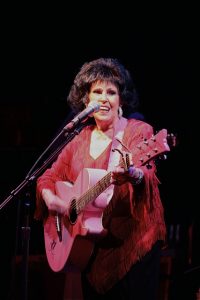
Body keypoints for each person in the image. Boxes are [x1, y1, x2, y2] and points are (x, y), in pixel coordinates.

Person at [35, 57, 166, 300]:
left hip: (133, 244)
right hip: (92, 248)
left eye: (111, 92)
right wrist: (55, 202)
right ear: (86, 100)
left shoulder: (138, 131)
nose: (104, 98)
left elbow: (146, 176)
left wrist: (134, 175)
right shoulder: (79, 139)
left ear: (121, 99)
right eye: (97, 91)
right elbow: (47, 177)